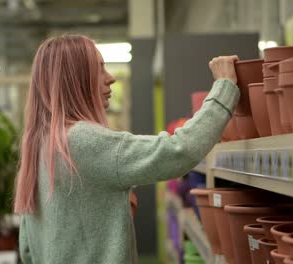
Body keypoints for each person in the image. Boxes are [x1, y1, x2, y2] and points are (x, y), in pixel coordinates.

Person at [14, 34, 240, 264]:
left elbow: (28, 249)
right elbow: (179, 151)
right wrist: (224, 87)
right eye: (98, 69)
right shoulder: (81, 140)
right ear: (74, 79)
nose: (110, 78)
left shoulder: (40, 145)